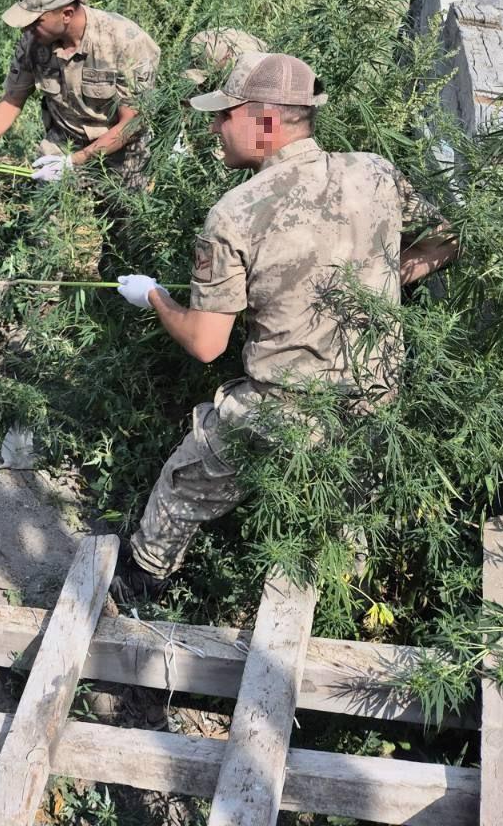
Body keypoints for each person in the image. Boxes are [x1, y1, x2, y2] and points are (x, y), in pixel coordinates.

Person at [114, 52, 459, 594]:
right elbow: (449, 236)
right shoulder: (375, 172)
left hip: (280, 411)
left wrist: (154, 296)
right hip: (375, 402)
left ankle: (137, 589)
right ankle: (344, 600)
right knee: (347, 522)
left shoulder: (237, 212)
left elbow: (206, 344)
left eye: (225, 116)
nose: (213, 127)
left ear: (266, 122)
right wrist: (386, 281)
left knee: (180, 490)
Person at [0, 0, 160, 184]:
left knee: (126, 215)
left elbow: (131, 124)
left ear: (67, 14)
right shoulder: (33, 42)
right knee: (53, 214)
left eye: (35, 21)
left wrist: (74, 162)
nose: (25, 29)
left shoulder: (126, 42)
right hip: (63, 146)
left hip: (121, 152)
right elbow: (12, 100)